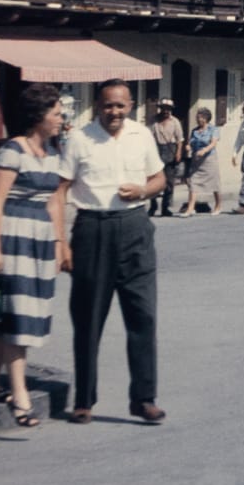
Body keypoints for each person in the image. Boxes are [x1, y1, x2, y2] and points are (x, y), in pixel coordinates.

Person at [51, 79, 167, 424]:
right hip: (92, 230)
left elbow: (160, 178)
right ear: (97, 106)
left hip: (135, 230)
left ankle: (144, 399)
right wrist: (61, 242)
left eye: (120, 105)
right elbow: (60, 191)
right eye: (107, 105)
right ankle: (84, 400)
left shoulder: (141, 135)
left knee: (143, 316)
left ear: (130, 105)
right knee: (88, 319)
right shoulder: (80, 139)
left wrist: (144, 190)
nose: (114, 112)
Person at [0, 82, 69, 427]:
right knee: (17, 318)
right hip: (14, 237)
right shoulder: (13, 150)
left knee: (16, 317)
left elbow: (54, 201)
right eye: (56, 113)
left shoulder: (53, 153)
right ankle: (20, 394)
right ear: (38, 115)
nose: (61, 118)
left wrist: (57, 243)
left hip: (39, 240)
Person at [179, 107, 221, 217]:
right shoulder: (194, 131)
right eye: (197, 117)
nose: (198, 119)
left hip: (209, 160)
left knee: (215, 184)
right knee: (193, 183)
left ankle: (218, 206)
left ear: (206, 118)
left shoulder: (213, 129)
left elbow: (213, 143)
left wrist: (205, 150)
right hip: (196, 161)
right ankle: (190, 209)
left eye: (200, 117)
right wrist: (188, 147)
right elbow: (190, 143)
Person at [148, 98, 185, 219]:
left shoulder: (175, 122)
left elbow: (180, 139)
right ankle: (153, 206)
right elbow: (149, 137)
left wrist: (178, 152)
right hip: (156, 150)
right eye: (164, 108)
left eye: (168, 109)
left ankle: (165, 207)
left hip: (170, 150)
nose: (166, 111)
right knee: (153, 179)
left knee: (169, 182)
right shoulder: (154, 121)